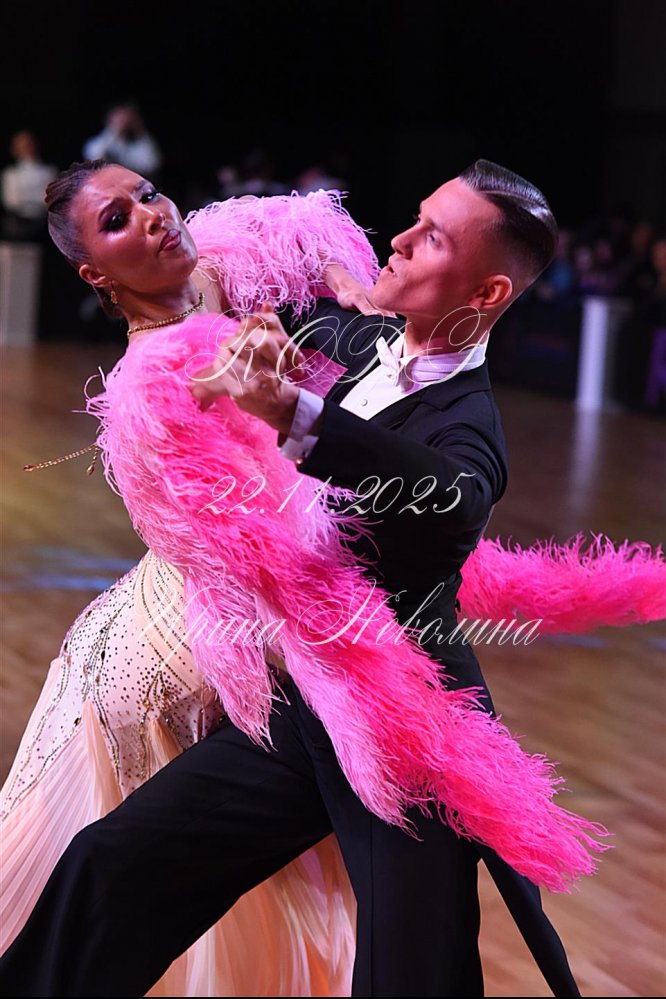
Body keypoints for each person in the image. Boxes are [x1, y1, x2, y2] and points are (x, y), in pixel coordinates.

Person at [1, 159, 662, 998]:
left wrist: (295, 415)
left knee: (412, 964)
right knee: (110, 864)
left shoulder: (468, 425)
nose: (400, 239)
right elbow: (273, 261)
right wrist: (315, 300)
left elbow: (453, 498)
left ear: (488, 292)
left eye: (432, 238)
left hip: (396, 725)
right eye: (415, 217)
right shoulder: (355, 336)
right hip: (297, 702)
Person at [0, 158, 387, 997]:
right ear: (96, 275)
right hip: (184, 660)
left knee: (177, 896)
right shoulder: (154, 381)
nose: (150, 214)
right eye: (117, 221)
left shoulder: (204, 263)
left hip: (164, 616)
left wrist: (344, 282)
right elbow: (266, 528)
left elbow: (296, 226)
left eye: (146, 194)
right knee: (161, 900)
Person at [83, 104, 163, 179]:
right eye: (119, 117)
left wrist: (139, 130)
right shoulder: (97, 143)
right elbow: (94, 157)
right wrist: (114, 129)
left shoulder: (137, 145)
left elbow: (152, 165)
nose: (124, 121)